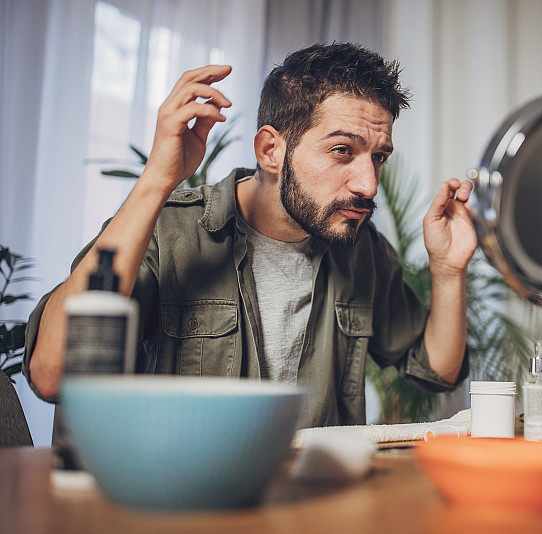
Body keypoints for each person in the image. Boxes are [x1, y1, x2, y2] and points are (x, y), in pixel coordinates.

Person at [23, 43, 476, 428]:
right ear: (270, 150)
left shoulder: (360, 249)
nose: (368, 184)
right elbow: (51, 374)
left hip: (312, 506)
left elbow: (436, 368)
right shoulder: (169, 233)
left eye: (378, 158)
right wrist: (159, 179)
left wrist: (448, 269)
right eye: (343, 151)